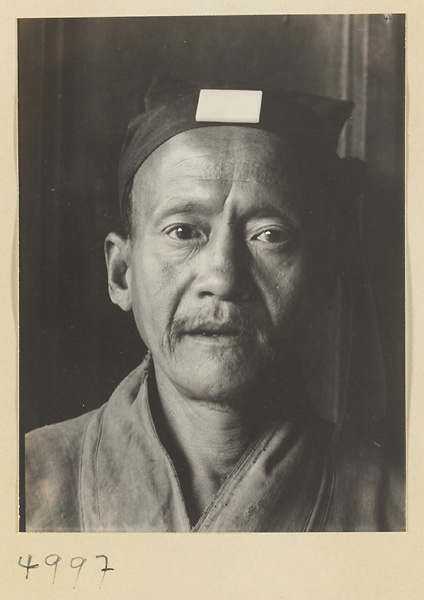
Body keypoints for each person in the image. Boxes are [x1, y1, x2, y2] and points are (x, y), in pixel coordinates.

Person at [25, 77, 405, 532]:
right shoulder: (25, 485)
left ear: (323, 282)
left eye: (270, 235)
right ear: (121, 273)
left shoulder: (400, 508)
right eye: (183, 231)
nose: (223, 278)